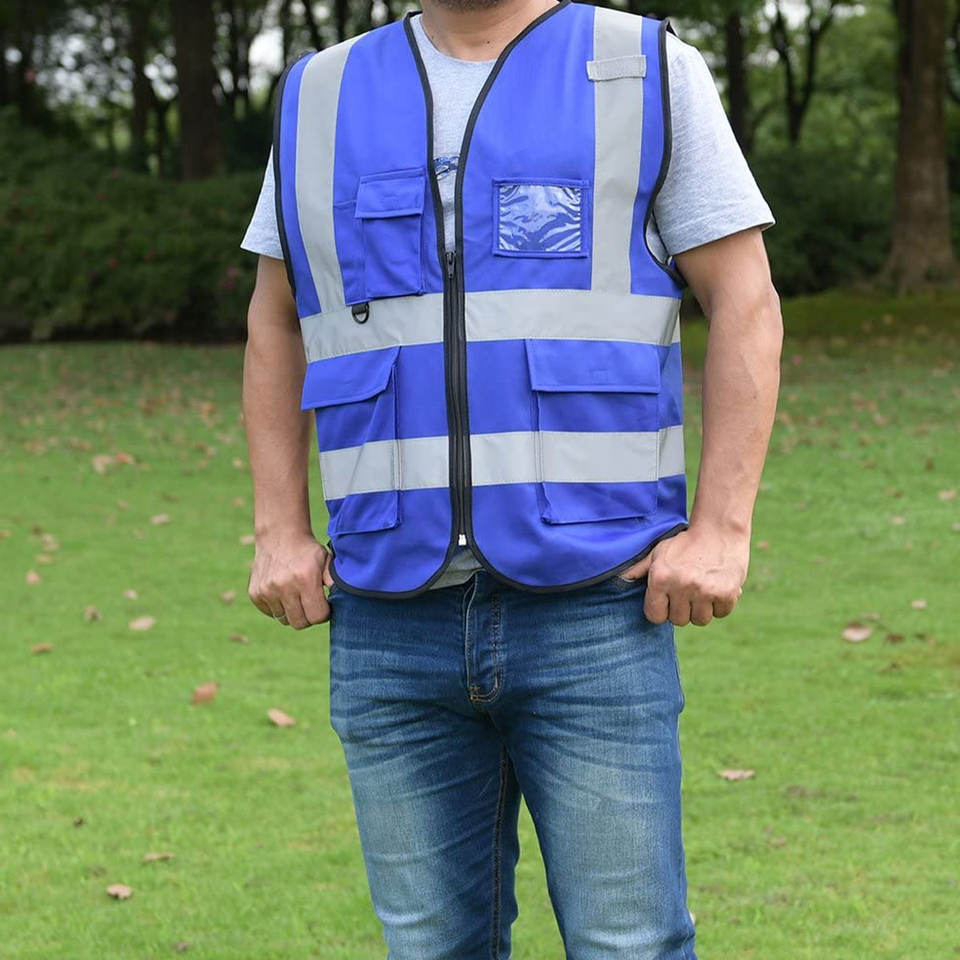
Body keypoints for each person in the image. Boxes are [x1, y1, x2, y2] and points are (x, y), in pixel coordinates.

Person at [239, 0, 782, 956]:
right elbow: (277, 317)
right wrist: (277, 528)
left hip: (597, 608)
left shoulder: (643, 66)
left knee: (629, 945)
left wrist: (723, 529)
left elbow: (744, 295)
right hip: (387, 618)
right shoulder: (319, 93)